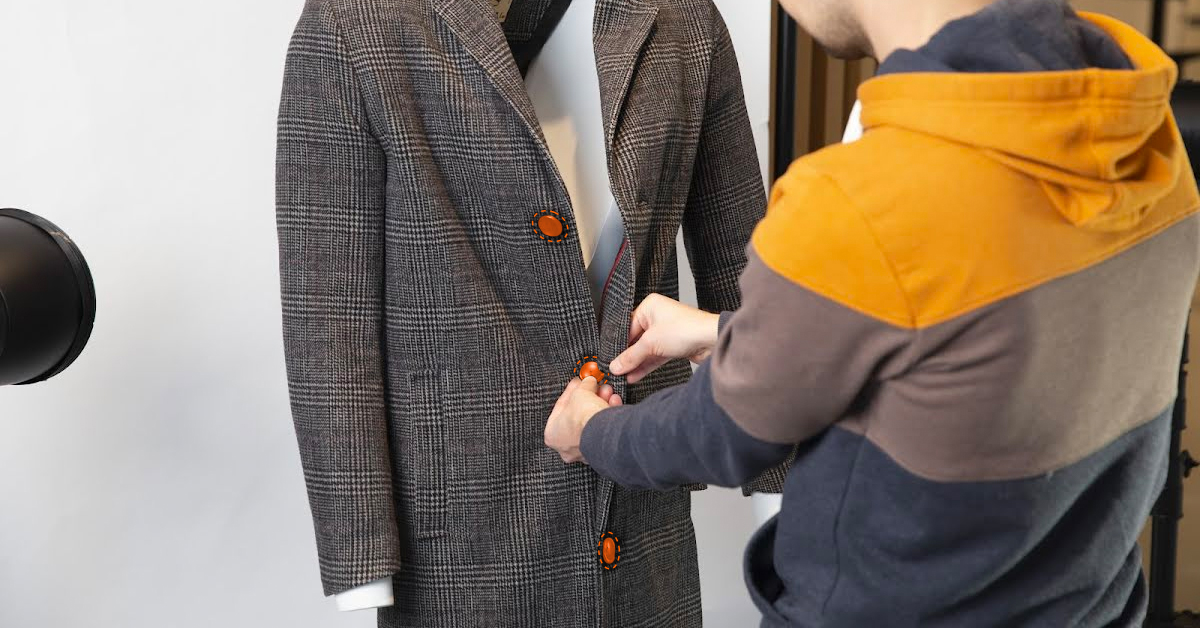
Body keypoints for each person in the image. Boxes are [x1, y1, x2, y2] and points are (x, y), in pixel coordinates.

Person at [544, 0, 1200, 625]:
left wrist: (591, 432)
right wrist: (728, 334)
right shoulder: (1141, 131)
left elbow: (720, 433)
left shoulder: (858, 201)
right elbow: (984, 342)